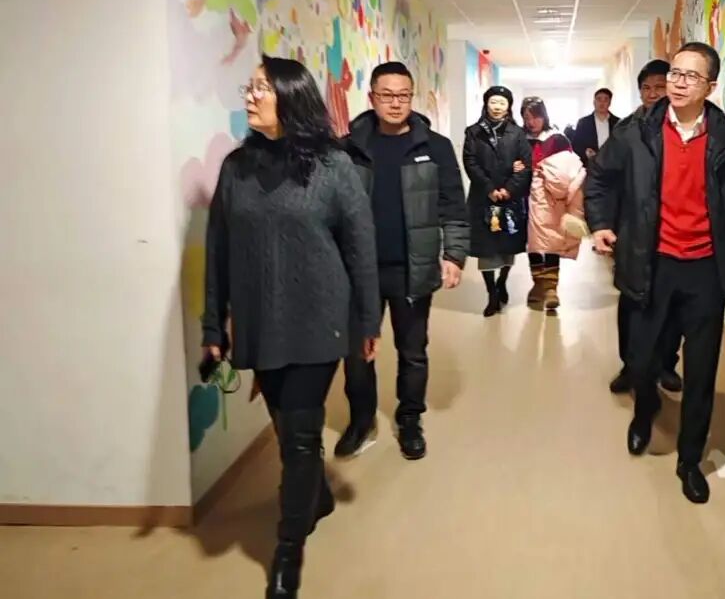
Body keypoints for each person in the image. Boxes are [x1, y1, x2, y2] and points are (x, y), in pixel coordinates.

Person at [202, 55, 381, 599]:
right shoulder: (236, 168)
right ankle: (315, 497)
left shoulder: (333, 166)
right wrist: (213, 327)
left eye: (261, 87)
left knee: (299, 439)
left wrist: (367, 321)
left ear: (291, 96)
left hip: (319, 321)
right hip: (260, 323)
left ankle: (287, 549)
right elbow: (217, 251)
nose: (250, 96)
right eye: (250, 86)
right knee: (286, 428)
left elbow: (361, 248)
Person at [585, 42, 725, 504]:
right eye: (675, 72)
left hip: (706, 273)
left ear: (710, 86)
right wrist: (600, 223)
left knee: (701, 371)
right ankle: (644, 413)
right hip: (650, 264)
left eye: (690, 76)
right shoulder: (636, 132)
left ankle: (690, 460)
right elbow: (600, 178)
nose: (677, 82)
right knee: (641, 360)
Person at [336, 61, 469, 461]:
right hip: (360, 271)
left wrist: (454, 254)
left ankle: (410, 419)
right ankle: (361, 420)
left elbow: (453, 205)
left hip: (414, 267)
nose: (396, 103)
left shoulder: (435, 146)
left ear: (412, 97)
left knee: (413, 351)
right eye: (387, 95)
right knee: (357, 353)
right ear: (372, 97)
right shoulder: (348, 148)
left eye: (404, 95)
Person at [609, 59, 683, 394]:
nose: (652, 94)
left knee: (672, 308)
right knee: (632, 305)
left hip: (676, 237)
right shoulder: (626, 130)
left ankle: (666, 364)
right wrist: (606, 225)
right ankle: (630, 367)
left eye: (659, 87)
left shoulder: (690, 129)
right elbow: (606, 180)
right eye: (646, 88)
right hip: (635, 234)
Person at [463, 86, 533, 316]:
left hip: (509, 200)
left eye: (502, 102)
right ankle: (491, 292)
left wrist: (509, 190)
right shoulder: (473, 132)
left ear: (509, 106)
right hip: (483, 198)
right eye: (493, 102)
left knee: (506, 247)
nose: (497, 107)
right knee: (486, 249)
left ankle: (502, 281)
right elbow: (470, 162)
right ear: (486, 103)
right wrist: (490, 189)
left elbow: (525, 165)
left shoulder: (517, 133)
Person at [520, 96, 589, 311]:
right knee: (533, 244)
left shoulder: (557, 140)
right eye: (527, 117)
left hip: (550, 198)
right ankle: (538, 284)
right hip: (523, 196)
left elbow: (568, 168)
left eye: (535, 117)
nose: (531, 122)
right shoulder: (519, 138)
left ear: (544, 116)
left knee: (551, 240)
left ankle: (551, 288)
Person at [572, 88, 620, 166]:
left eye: (605, 100)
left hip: (613, 166)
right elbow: (576, 146)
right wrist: (586, 152)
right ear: (594, 102)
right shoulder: (583, 123)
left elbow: (622, 146)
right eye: (599, 99)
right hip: (590, 165)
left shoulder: (618, 123)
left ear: (609, 103)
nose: (602, 103)